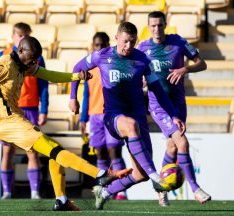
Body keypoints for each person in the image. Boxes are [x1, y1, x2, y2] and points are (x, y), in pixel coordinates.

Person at [0, 36, 131, 211]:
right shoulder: (3, 65)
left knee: (54, 152)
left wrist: (77, 77)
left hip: (13, 118)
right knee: (53, 148)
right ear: (20, 50)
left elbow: (49, 75)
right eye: (31, 58)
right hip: (3, 120)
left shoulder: (24, 66)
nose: (34, 62)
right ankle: (100, 175)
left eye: (36, 59)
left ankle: (61, 199)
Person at [69, 22, 185, 210]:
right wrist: (73, 97)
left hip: (139, 119)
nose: (128, 46)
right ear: (116, 38)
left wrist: (173, 115)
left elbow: (157, 89)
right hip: (113, 117)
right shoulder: (102, 55)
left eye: (132, 42)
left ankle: (104, 192)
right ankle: (157, 177)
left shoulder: (142, 60)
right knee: (131, 127)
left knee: (140, 174)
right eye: (125, 41)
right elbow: (76, 68)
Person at [137, 11, 211, 206]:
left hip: (178, 103)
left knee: (172, 146)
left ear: (165, 25)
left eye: (159, 25)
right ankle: (196, 190)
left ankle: (160, 189)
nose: (156, 29)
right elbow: (135, 72)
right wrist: (141, 80)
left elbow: (202, 64)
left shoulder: (178, 43)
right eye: (152, 26)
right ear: (148, 26)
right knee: (182, 143)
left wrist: (185, 69)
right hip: (158, 105)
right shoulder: (143, 47)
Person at [0, 22, 47, 200]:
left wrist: (44, 109)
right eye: (21, 36)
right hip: (9, 110)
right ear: (14, 37)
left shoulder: (37, 57)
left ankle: (35, 192)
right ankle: (7, 192)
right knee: (7, 151)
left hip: (30, 108)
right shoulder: (2, 56)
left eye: (26, 36)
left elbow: (43, 85)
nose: (23, 39)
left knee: (32, 150)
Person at [80, 32, 128, 200]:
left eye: (102, 45)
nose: (99, 48)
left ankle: (121, 190)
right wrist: (82, 119)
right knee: (100, 153)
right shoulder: (90, 67)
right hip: (94, 116)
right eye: (96, 45)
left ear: (109, 44)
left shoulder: (115, 63)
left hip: (112, 114)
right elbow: (86, 94)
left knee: (114, 151)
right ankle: (104, 187)